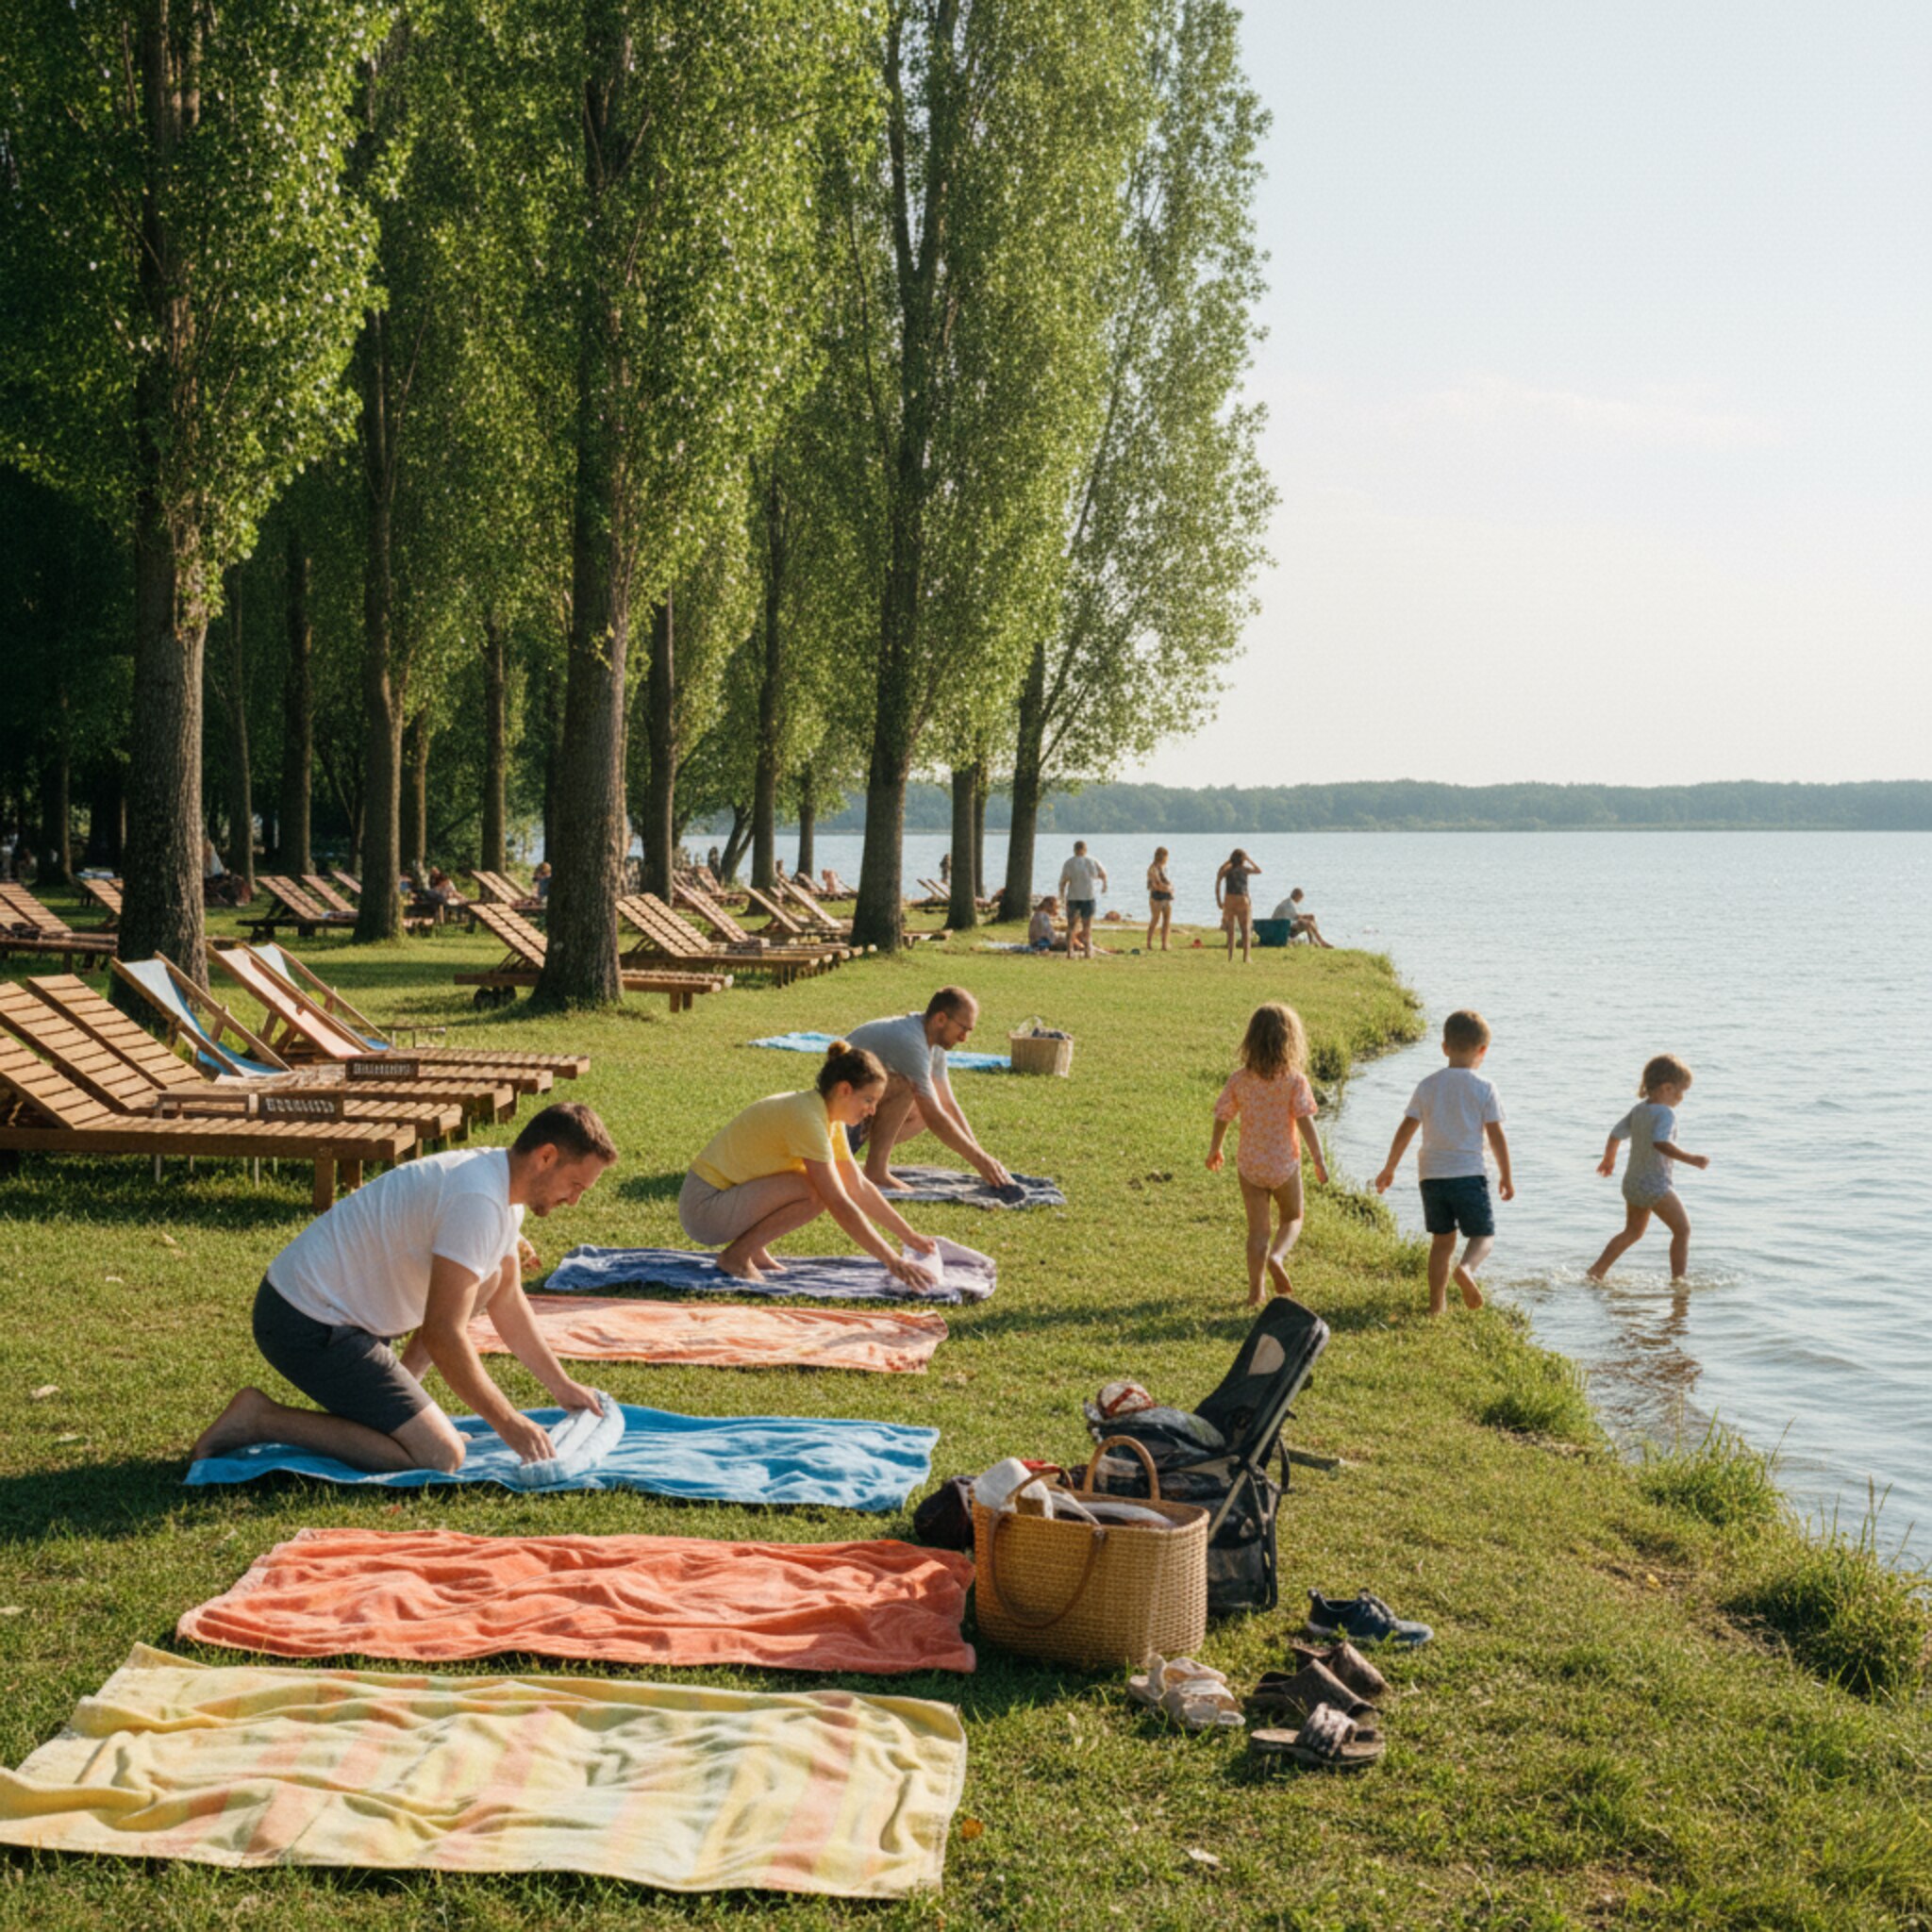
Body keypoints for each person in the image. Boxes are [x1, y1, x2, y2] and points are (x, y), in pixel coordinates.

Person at [190, 1103, 619, 1474]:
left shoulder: (500, 1187)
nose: (574, 1200)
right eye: (575, 1185)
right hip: (303, 1320)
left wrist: (561, 1386)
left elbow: (506, 1295)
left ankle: (405, 1402)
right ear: (546, 1157)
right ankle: (259, 1419)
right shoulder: (478, 1200)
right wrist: (508, 1423)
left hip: (335, 1317)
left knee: (492, 1276)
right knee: (439, 1454)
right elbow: (443, 1334)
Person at [679, 1041, 942, 1288]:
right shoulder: (807, 1118)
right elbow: (838, 1202)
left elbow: (858, 1186)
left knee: (812, 1185)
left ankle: (752, 1251)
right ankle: (736, 1257)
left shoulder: (826, 1116)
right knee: (815, 1191)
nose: (872, 1110)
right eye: (869, 1100)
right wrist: (892, 1261)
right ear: (844, 1090)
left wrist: (909, 1236)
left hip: (718, 1202)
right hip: (704, 1208)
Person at [1374, 1009, 1512, 1315]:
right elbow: (1496, 1136)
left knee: (1442, 1242)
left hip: (1431, 1176)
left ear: (1445, 1047)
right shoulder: (1485, 1087)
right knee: (1483, 1235)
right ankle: (1467, 1269)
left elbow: (1406, 1129)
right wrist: (1506, 1175)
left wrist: (1390, 1167)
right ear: (1483, 1051)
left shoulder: (1428, 1085)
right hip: (1469, 1175)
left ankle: (1436, 1307)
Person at [1208, 1003, 1328, 1307]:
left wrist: (1215, 1149)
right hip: (1284, 1163)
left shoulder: (1239, 1080)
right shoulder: (1295, 1081)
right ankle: (1278, 1256)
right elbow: (1305, 1121)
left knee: (1258, 1231)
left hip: (1250, 1165)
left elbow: (1223, 1115)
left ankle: (1255, 1293)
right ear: (1290, 1041)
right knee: (1293, 1217)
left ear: (1251, 1040)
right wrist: (1319, 1159)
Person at [848, 989, 1014, 1191]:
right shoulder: (910, 1040)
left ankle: (867, 1164)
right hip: (835, 1119)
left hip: (854, 1113)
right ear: (941, 1019)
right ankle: (877, 1171)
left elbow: (948, 1105)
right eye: (963, 1029)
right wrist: (979, 1161)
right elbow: (934, 1114)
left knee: (921, 1110)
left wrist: (982, 1157)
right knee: (908, 1088)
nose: (964, 1038)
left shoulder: (934, 1045)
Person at [1587, 1055, 1709, 1283]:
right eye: (1681, 1092)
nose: (1682, 1098)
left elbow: (1615, 1134)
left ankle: (1596, 1271)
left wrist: (1609, 1160)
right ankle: (1679, 1281)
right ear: (1667, 1088)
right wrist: (1691, 1158)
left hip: (1633, 1182)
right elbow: (1660, 1143)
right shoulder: (1665, 1113)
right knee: (1682, 1230)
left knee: (1632, 1232)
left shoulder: (1640, 1110)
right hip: (1655, 1185)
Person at [1058, 840, 1108, 960]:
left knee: (1071, 925)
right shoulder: (1091, 861)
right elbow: (1102, 874)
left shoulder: (1069, 863)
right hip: (1088, 897)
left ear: (1074, 850)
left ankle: (1070, 951)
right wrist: (1104, 885)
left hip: (1073, 897)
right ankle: (1087, 951)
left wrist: (1062, 895)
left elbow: (1063, 881)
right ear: (1085, 849)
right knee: (1087, 926)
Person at [1215, 847, 1262, 963]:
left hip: (1229, 899)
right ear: (1243, 860)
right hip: (1242, 899)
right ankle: (1246, 957)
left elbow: (1218, 879)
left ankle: (1230, 957)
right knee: (1245, 929)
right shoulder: (1244, 869)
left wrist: (1219, 900)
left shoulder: (1227, 870)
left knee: (1230, 930)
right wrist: (1249, 859)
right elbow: (1258, 870)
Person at [1269, 887, 1334, 948]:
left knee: (1308, 921)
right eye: (1300, 898)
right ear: (1297, 896)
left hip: (1282, 926)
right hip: (1282, 929)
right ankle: (1320, 942)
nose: (1300, 900)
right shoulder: (1289, 904)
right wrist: (1307, 917)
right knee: (1308, 923)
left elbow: (1294, 917)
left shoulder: (1288, 902)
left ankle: (1313, 942)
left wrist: (1307, 916)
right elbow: (1296, 917)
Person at [1146, 847, 1174, 951]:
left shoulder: (1163, 868)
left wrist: (1170, 888)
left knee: (1167, 921)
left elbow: (1166, 881)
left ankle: (1164, 944)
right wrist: (1167, 888)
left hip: (1166, 897)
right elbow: (1156, 884)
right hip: (1156, 897)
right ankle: (1149, 943)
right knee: (1155, 919)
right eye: (1166, 856)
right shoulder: (1153, 869)